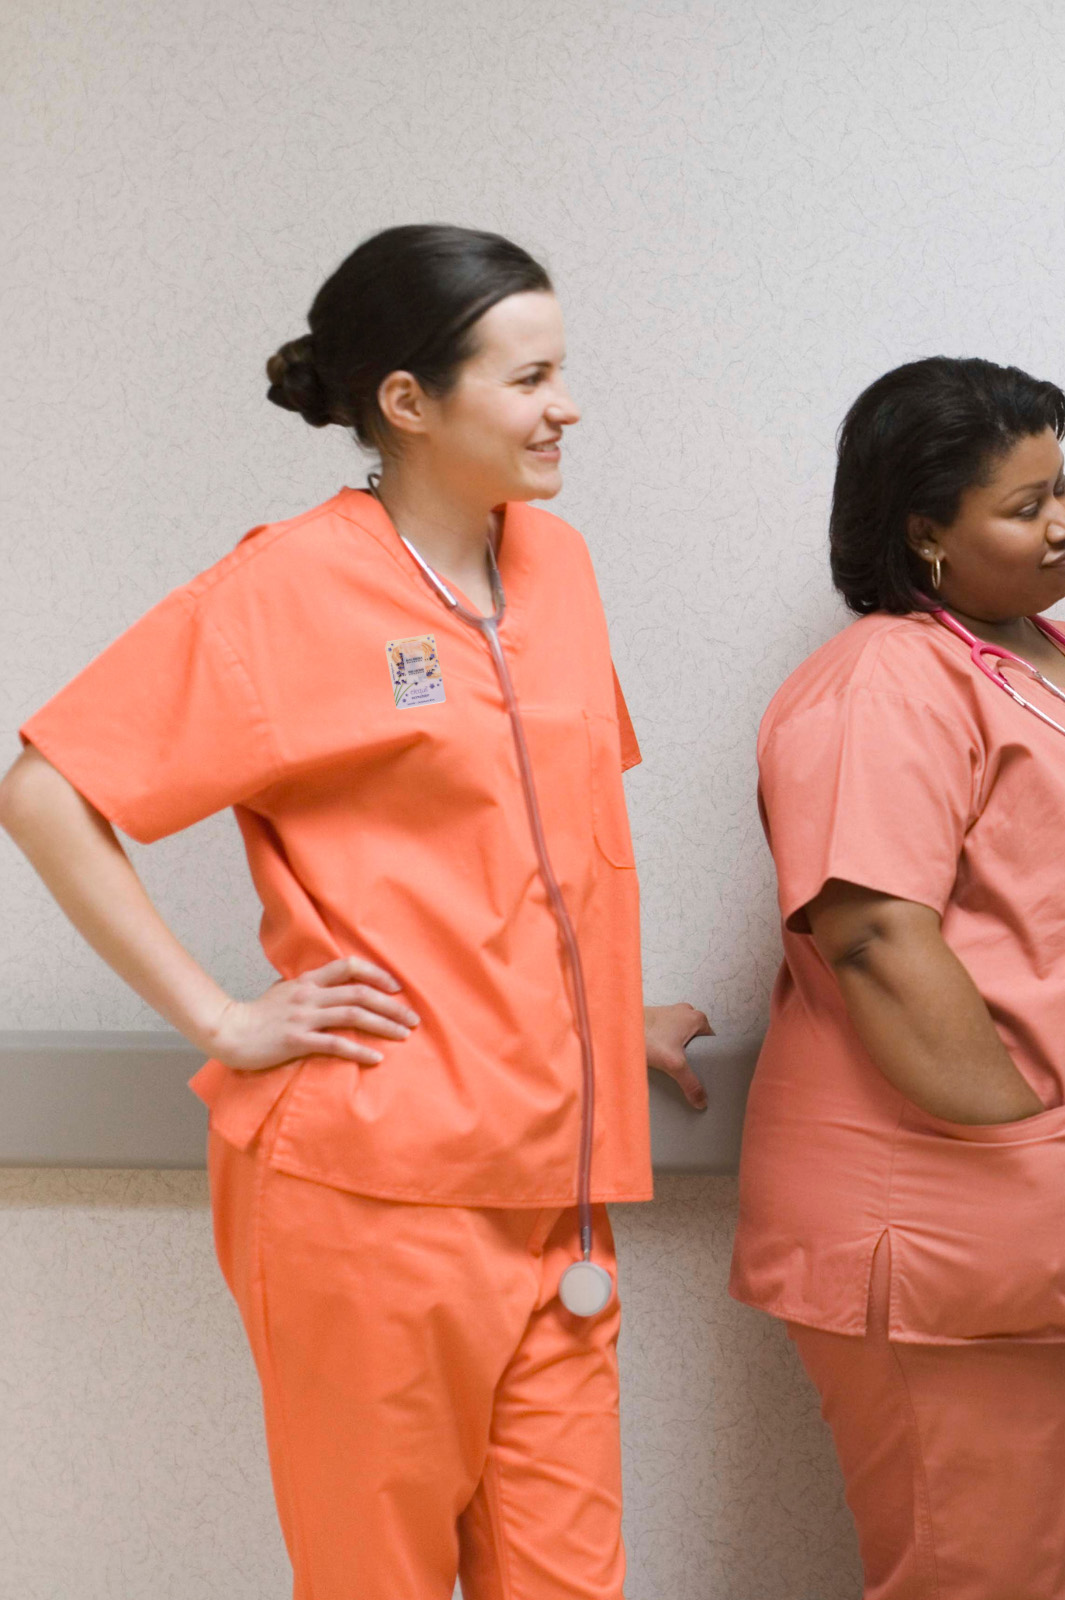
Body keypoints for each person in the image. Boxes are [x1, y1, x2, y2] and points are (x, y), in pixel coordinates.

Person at [0, 224, 710, 1600]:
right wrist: (217, 1015)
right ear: (407, 400)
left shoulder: (556, 567)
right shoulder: (290, 585)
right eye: (529, 376)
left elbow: (540, 843)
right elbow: (45, 790)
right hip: (372, 1187)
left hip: (556, 1191)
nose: (566, 404)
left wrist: (603, 1015)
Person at [729, 356, 1065, 1600]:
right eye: (1025, 505)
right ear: (926, 534)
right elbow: (873, 939)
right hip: (976, 1214)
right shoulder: (886, 679)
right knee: (1006, 1577)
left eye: (1064, 486)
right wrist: (1033, 1144)